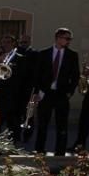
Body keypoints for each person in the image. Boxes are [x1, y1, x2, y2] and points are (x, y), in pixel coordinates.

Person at [32, 27, 80, 156]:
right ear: (58, 38)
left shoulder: (72, 55)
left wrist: (70, 92)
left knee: (62, 125)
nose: (69, 41)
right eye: (67, 38)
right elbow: (36, 74)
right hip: (46, 93)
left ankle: (60, 152)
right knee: (42, 123)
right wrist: (36, 92)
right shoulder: (43, 53)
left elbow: (75, 76)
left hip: (62, 94)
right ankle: (39, 150)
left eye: (70, 39)